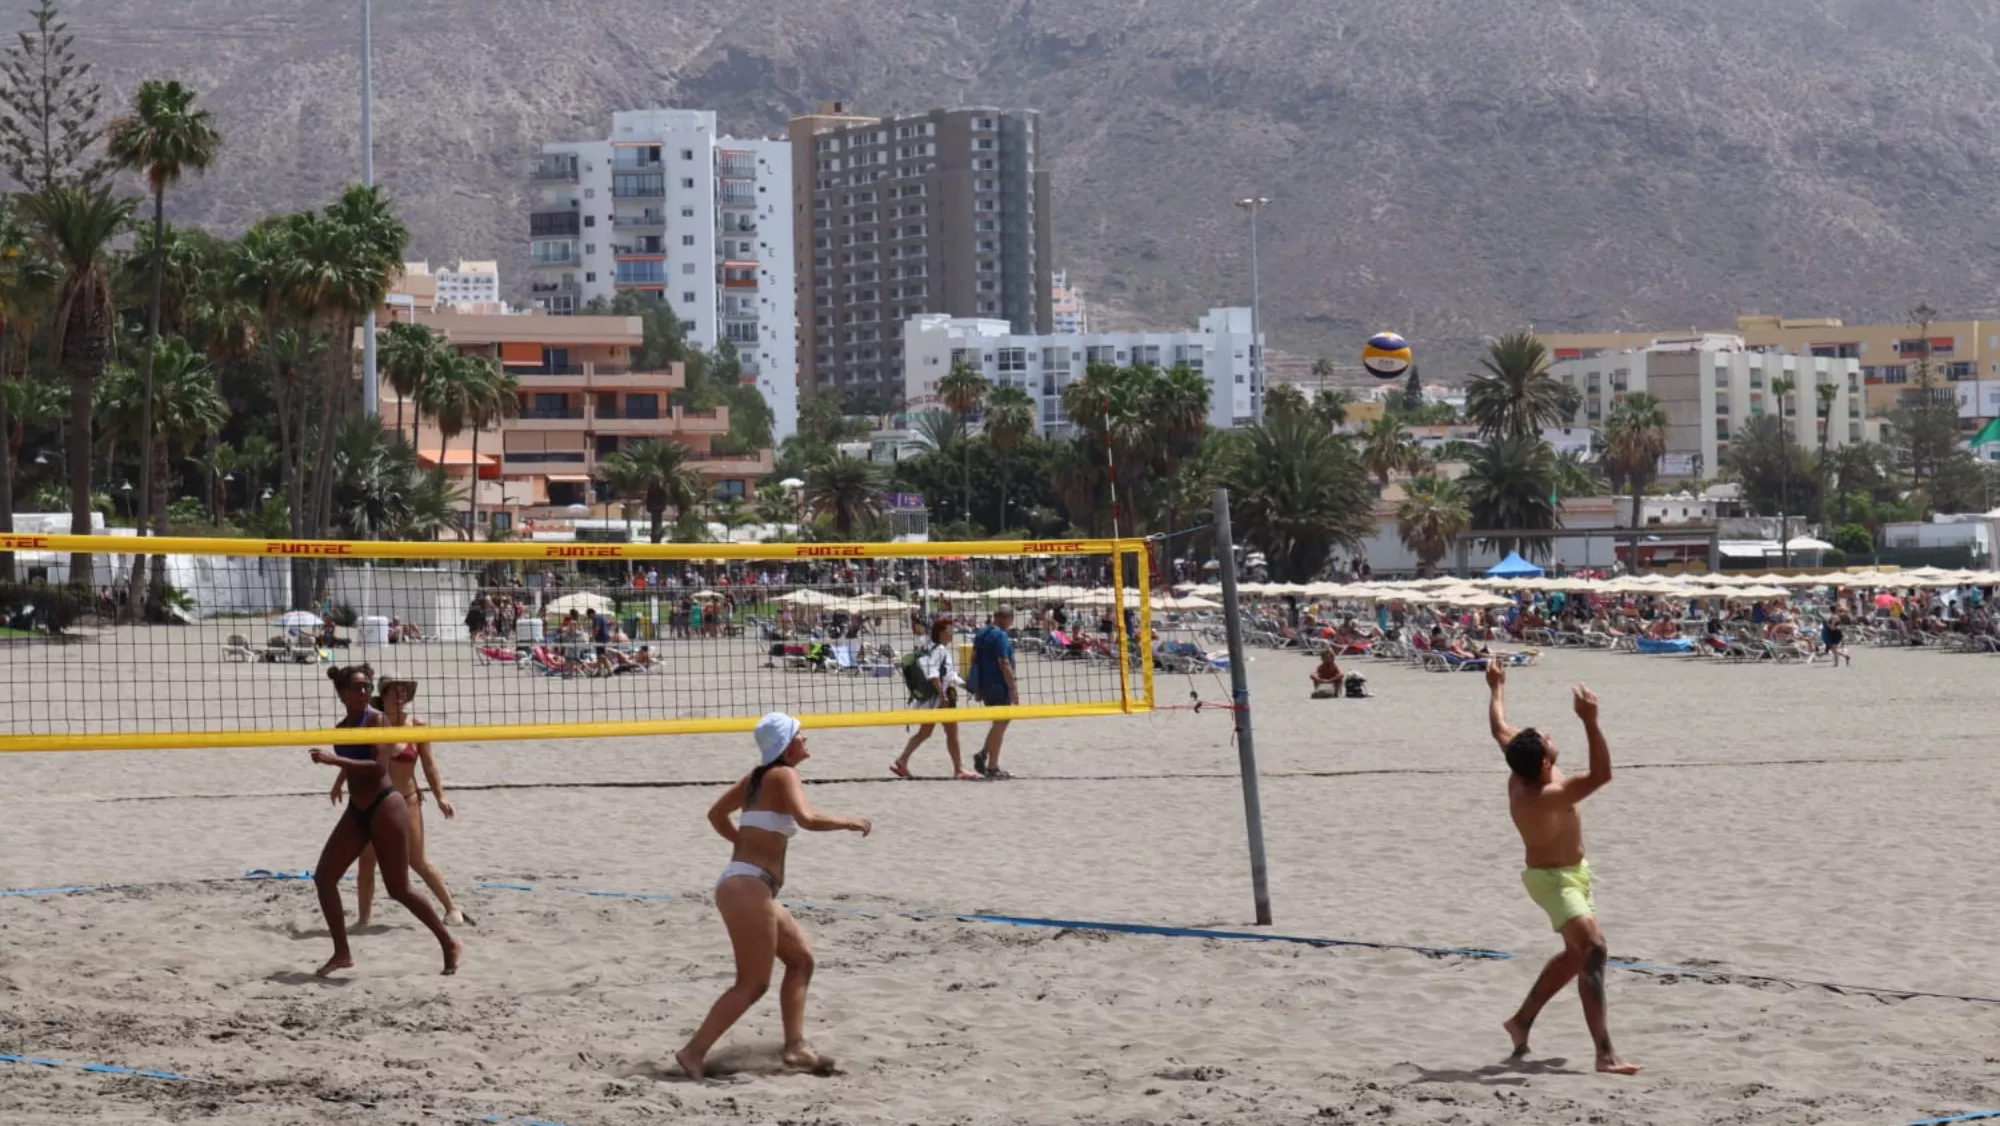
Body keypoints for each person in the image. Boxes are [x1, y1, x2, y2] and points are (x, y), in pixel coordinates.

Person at [676, 714, 872, 1080]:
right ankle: (692, 1052)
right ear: (786, 743)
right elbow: (808, 818)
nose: (806, 738)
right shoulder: (783, 774)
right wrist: (849, 822)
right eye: (800, 734)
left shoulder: (756, 778)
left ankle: (795, 1048)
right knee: (753, 984)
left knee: (800, 959)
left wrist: (744, 843)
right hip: (747, 887)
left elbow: (716, 814)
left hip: (748, 885)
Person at [1484, 662, 1639, 1075]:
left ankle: (1520, 1022)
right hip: (1552, 881)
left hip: (1574, 874)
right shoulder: (1545, 794)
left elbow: (1498, 725)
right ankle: (1605, 1053)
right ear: (1541, 765)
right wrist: (1590, 722)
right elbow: (1603, 775)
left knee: (1576, 955)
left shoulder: (1520, 760)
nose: (1548, 736)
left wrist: (1497, 686)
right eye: (1546, 741)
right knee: (1595, 949)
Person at [305, 665, 461, 977]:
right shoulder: (340, 729)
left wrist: (334, 761)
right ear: (343, 693)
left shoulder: (377, 720)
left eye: (367, 687)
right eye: (357, 687)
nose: (364, 692)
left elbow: (377, 767)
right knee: (324, 878)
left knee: (399, 888)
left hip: (387, 806)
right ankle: (342, 952)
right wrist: (339, 777)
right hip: (357, 809)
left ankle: (448, 942)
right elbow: (353, 766)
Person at [335, 678, 470, 928]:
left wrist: (441, 796)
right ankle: (363, 919)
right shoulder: (374, 723)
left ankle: (452, 908)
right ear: (383, 695)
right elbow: (357, 757)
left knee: (416, 860)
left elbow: (429, 764)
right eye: (395, 690)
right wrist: (339, 781)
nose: (400, 694)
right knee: (366, 860)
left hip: (407, 801)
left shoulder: (417, 725)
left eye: (404, 691)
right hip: (375, 802)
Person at [891, 617, 976, 779]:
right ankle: (958, 770)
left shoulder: (932, 648)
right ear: (942, 633)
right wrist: (943, 695)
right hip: (941, 699)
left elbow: (949, 676)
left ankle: (901, 761)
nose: (953, 634)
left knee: (925, 732)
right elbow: (933, 674)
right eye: (951, 631)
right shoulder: (940, 650)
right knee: (951, 733)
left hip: (933, 699)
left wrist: (968, 687)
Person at [969, 605, 1019, 780]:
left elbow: (973, 659)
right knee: (1001, 722)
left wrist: (977, 686)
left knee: (1000, 723)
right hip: (998, 685)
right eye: (1011, 621)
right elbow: (1003, 662)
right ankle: (991, 765)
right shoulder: (1000, 635)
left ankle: (985, 756)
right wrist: (1013, 688)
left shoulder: (981, 633)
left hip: (986, 685)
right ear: (1006, 619)